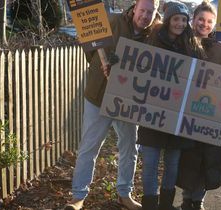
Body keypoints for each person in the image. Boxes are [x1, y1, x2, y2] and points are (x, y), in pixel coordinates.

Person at [64, 1, 161, 210]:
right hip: (98, 96)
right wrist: (102, 66)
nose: (145, 15)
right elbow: (91, 49)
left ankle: (124, 194)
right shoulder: (112, 21)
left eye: (150, 12)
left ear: (155, 13)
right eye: (143, 10)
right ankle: (78, 196)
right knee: (89, 147)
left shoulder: (154, 35)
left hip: (128, 101)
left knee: (129, 147)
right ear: (135, 8)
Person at [136, 1, 206, 210]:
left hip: (178, 117)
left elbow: (202, 78)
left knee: (172, 165)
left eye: (184, 20)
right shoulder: (152, 41)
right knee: (150, 162)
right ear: (168, 21)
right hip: (153, 114)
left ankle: (166, 204)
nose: (180, 24)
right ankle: (150, 204)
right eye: (176, 19)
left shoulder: (192, 47)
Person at [175, 1, 221, 210]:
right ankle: (187, 199)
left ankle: (198, 200)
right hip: (184, 109)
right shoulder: (181, 43)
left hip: (209, 111)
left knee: (206, 157)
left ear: (214, 24)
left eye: (209, 21)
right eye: (201, 19)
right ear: (193, 19)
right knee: (187, 156)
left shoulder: (220, 50)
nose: (204, 24)